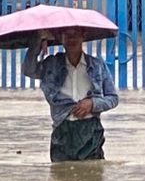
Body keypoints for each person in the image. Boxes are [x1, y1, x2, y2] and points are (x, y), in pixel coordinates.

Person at [22, 28, 119, 162]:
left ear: (83, 36)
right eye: (67, 35)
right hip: (62, 129)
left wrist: (92, 104)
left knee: (92, 176)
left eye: (76, 34)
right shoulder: (51, 64)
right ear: (60, 38)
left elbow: (113, 98)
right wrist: (38, 41)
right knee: (60, 175)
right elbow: (29, 70)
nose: (71, 39)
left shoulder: (97, 65)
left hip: (90, 130)